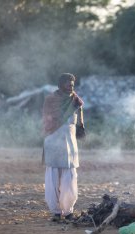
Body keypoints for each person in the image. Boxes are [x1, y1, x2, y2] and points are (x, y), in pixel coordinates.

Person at [42, 73, 85, 222]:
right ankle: (55, 212)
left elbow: (79, 120)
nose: (71, 86)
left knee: (70, 177)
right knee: (53, 176)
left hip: (70, 142)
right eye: (68, 83)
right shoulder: (51, 100)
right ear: (61, 84)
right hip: (53, 140)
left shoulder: (76, 101)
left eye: (73, 84)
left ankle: (68, 211)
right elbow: (47, 121)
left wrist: (80, 128)